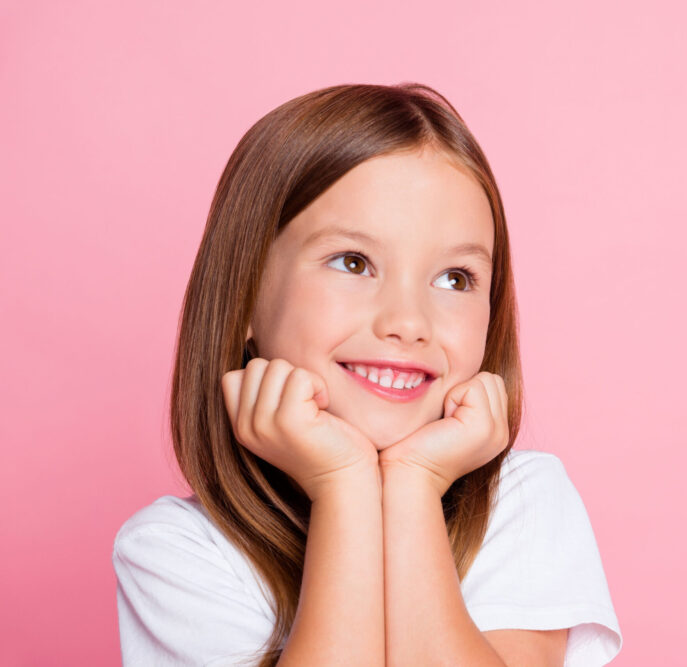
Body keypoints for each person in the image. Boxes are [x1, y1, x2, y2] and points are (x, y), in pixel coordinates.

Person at [112, 82, 622, 666]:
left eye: (455, 278)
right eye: (353, 263)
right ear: (246, 296)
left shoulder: (523, 503)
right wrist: (343, 485)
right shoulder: (176, 552)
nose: (408, 322)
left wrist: (413, 481)